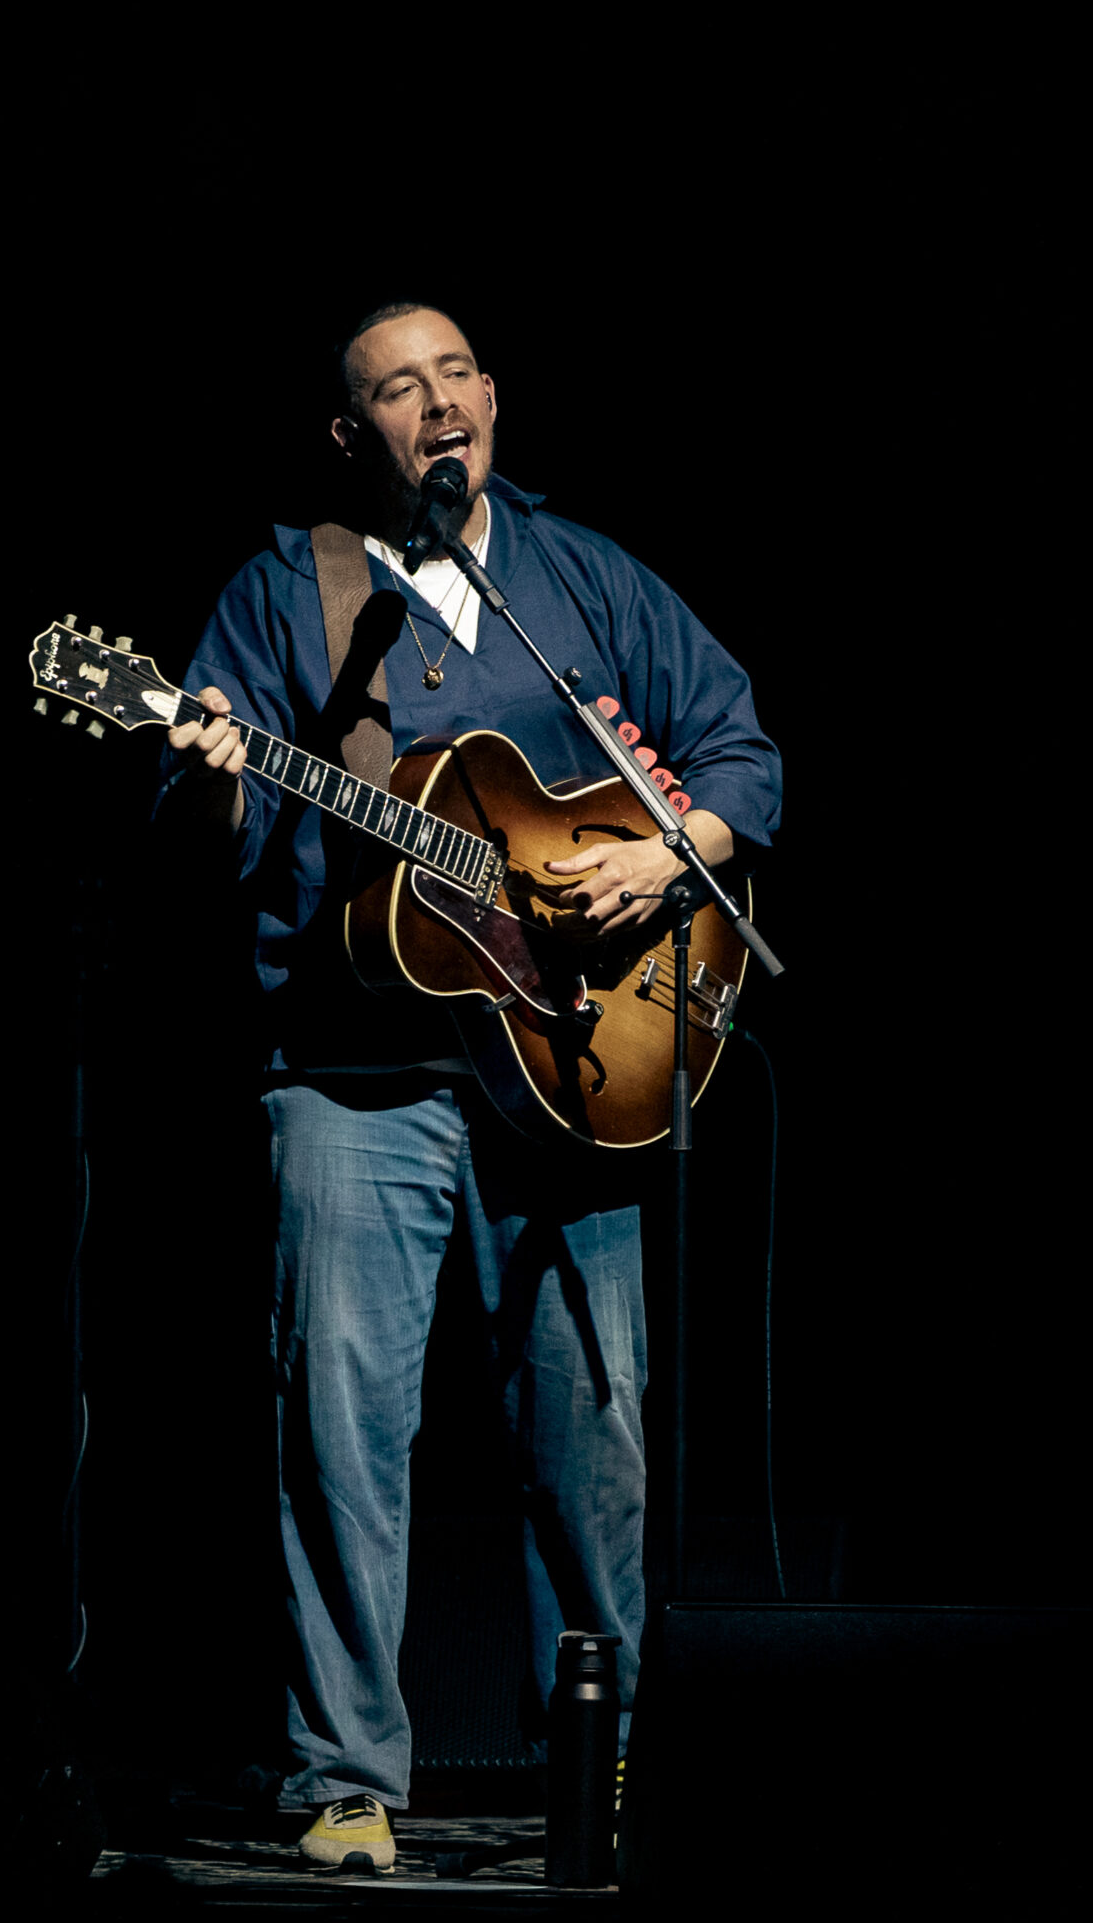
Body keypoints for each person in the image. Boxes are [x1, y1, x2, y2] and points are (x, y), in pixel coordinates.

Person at [160, 301, 780, 1873]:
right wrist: (213, 774)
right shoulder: (285, 591)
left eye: (452, 375)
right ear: (350, 433)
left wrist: (670, 853)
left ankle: (604, 1766)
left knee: (596, 1442)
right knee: (341, 1435)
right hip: (354, 1078)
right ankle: (343, 1783)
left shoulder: (577, 575)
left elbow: (736, 752)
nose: (432, 402)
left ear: (491, 399)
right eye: (395, 387)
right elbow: (207, 833)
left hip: (581, 1070)